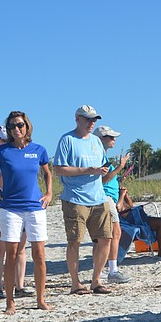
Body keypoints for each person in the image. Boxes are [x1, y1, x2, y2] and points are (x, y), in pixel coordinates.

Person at [0, 110, 53, 315]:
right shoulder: (2, 151)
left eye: (20, 125)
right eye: (12, 126)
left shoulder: (38, 149)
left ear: (27, 126)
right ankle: (10, 301)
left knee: (39, 254)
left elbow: (47, 172)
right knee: (11, 254)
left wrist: (48, 193)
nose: (16, 129)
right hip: (10, 208)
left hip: (35, 207)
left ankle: (40, 299)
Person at [52, 105, 113, 295]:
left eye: (94, 120)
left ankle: (96, 280)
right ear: (77, 118)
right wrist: (88, 170)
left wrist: (103, 171)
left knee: (105, 239)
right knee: (75, 241)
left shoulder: (96, 141)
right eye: (88, 119)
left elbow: (102, 167)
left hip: (98, 197)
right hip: (75, 198)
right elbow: (59, 169)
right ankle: (75, 282)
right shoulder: (67, 140)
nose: (91, 123)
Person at [0, 126, 29, 300]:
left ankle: (20, 285)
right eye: (2, 139)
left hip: (23, 204)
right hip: (0, 206)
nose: (5, 142)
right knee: (0, 249)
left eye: (7, 139)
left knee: (21, 248)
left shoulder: (20, 152)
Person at [94, 125, 131, 283]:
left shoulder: (100, 155)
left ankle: (100, 269)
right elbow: (103, 179)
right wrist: (120, 167)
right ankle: (112, 270)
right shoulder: (99, 156)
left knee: (100, 237)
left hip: (106, 198)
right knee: (115, 233)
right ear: (101, 139)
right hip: (105, 198)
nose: (114, 140)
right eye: (110, 137)